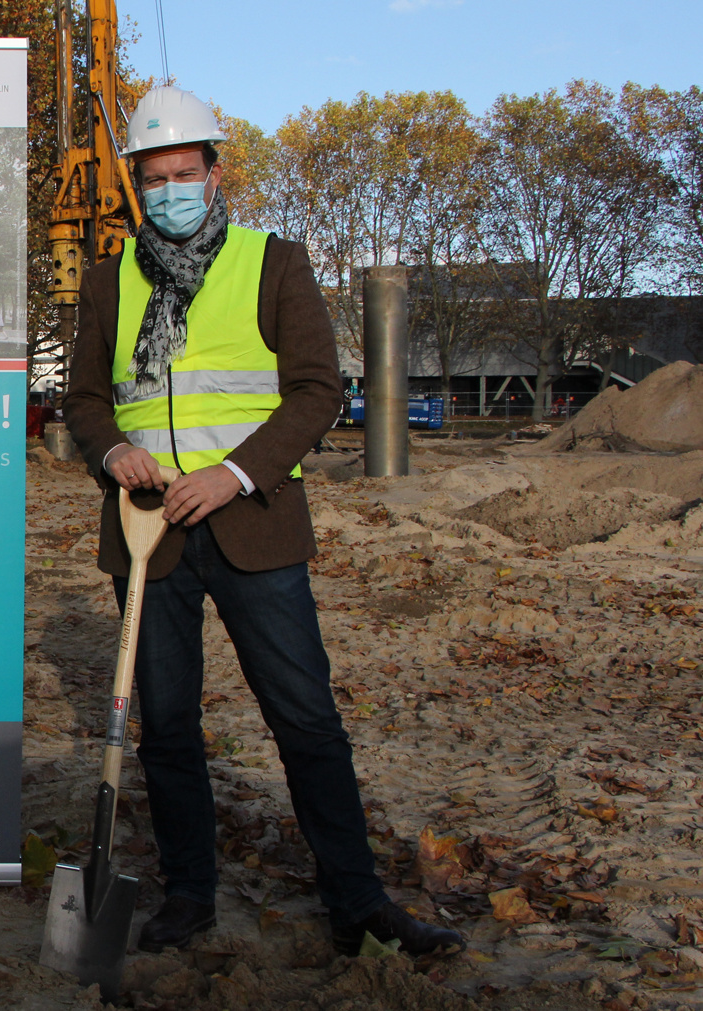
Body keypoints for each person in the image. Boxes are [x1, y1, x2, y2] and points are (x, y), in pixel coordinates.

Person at [63, 86, 463, 958]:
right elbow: (86, 399)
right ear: (136, 182)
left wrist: (235, 473)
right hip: (146, 535)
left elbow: (318, 389)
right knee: (167, 729)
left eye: (183, 173)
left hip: (254, 524)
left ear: (213, 174)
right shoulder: (106, 280)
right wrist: (110, 453)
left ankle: (355, 901)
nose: (168, 189)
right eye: (153, 177)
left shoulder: (272, 262)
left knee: (304, 720)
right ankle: (189, 897)